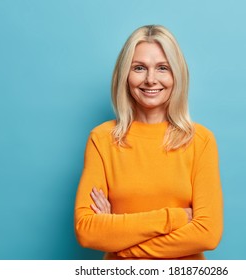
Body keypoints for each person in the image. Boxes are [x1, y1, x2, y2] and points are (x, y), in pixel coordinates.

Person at [74, 25, 223, 260]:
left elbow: (207, 234)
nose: (150, 80)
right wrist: (176, 218)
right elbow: (87, 231)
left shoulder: (200, 141)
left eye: (162, 68)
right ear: (125, 75)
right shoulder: (102, 139)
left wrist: (120, 241)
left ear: (177, 75)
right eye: (139, 68)